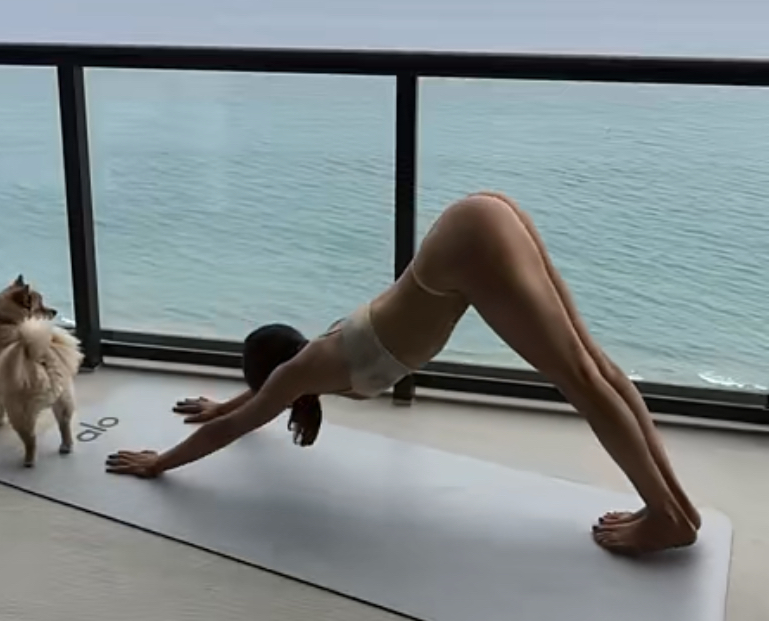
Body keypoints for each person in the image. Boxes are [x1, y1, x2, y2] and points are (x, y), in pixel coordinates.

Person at [106, 192, 701, 556]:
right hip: (479, 220)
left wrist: (160, 463)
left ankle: (666, 516)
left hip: (467, 250)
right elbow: (252, 404)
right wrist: (225, 403)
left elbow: (237, 426)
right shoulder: (308, 363)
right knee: (593, 367)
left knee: (582, 378)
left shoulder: (305, 371)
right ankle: (675, 510)